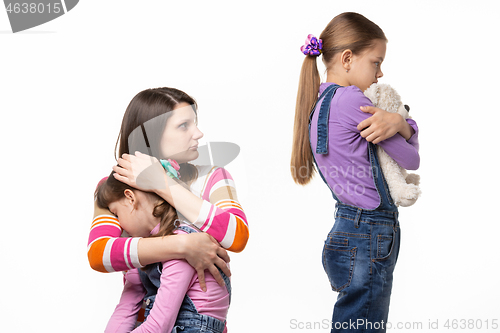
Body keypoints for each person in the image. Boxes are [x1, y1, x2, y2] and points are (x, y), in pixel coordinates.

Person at [291, 12, 419, 333]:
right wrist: (403, 123)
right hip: (370, 234)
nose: (380, 72)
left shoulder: (319, 100)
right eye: (375, 62)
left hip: (344, 230)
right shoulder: (354, 102)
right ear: (348, 58)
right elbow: (410, 158)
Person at [88, 87, 249, 293]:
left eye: (194, 123)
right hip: (140, 323)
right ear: (150, 136)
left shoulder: (214, 177)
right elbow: (98, 253)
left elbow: (237, 236)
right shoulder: (114, 186)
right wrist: (184, 245)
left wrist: (161, 183)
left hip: (200, 323)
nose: (198, 134)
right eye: (183, 126)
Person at [95, 171, 231, 333]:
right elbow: (126, 307)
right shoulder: (143, 249)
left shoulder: (188, 245)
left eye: (117, 214)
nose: (120, 227)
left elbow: (159, 327)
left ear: (130, 198)